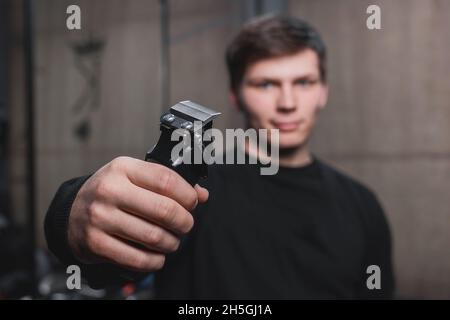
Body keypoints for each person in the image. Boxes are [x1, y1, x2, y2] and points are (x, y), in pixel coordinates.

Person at [45, 15, 395, 299]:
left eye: (303, 82)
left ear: (323, 91)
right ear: (235, 95)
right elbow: (107, 259)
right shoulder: (192, 188)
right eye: (266, 84)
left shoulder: (362, 205)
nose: (288, 102)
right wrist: (71, 215)